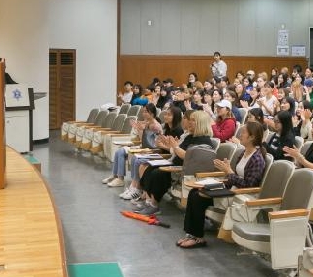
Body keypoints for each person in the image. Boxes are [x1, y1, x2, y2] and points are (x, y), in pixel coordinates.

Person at [176, 121, 266, 249]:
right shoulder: (243, 153)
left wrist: (229, 172)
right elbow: (234, 177)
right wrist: (220, 181)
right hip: (232, 190)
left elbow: (249, 185)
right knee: (194, 192)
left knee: (197, 198)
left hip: (242, 196)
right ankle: (191, 234)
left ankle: (198, 238)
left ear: (252, 137)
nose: (240, 134)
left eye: (244, 132)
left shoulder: (257, 159)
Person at [137, 110, 214, 216]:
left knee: (157, 174)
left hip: (183, 170)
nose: (190, 122)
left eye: (193, 120)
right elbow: (177, 151)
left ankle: (154, 205)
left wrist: (175, 146)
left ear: (200, 123)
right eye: (190, 119)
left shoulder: (204, 140)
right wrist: (171, 145)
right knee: (150, 168)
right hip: (175, 164)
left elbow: (188, 156)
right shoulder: (190, 136)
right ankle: (149, 200)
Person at [102, 103, 162, 188]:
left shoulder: (155, 126)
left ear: (152, 113)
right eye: (143, 111)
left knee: (127, 154)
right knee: (119, 151)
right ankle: (116, 176)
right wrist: (139, 130)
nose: (143, 114)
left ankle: (123, 180)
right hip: (143, 147)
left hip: (149, 149)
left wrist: (140, 130)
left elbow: (152, 144)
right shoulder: (146, 122)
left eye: (146, 112)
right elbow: (142, 140)